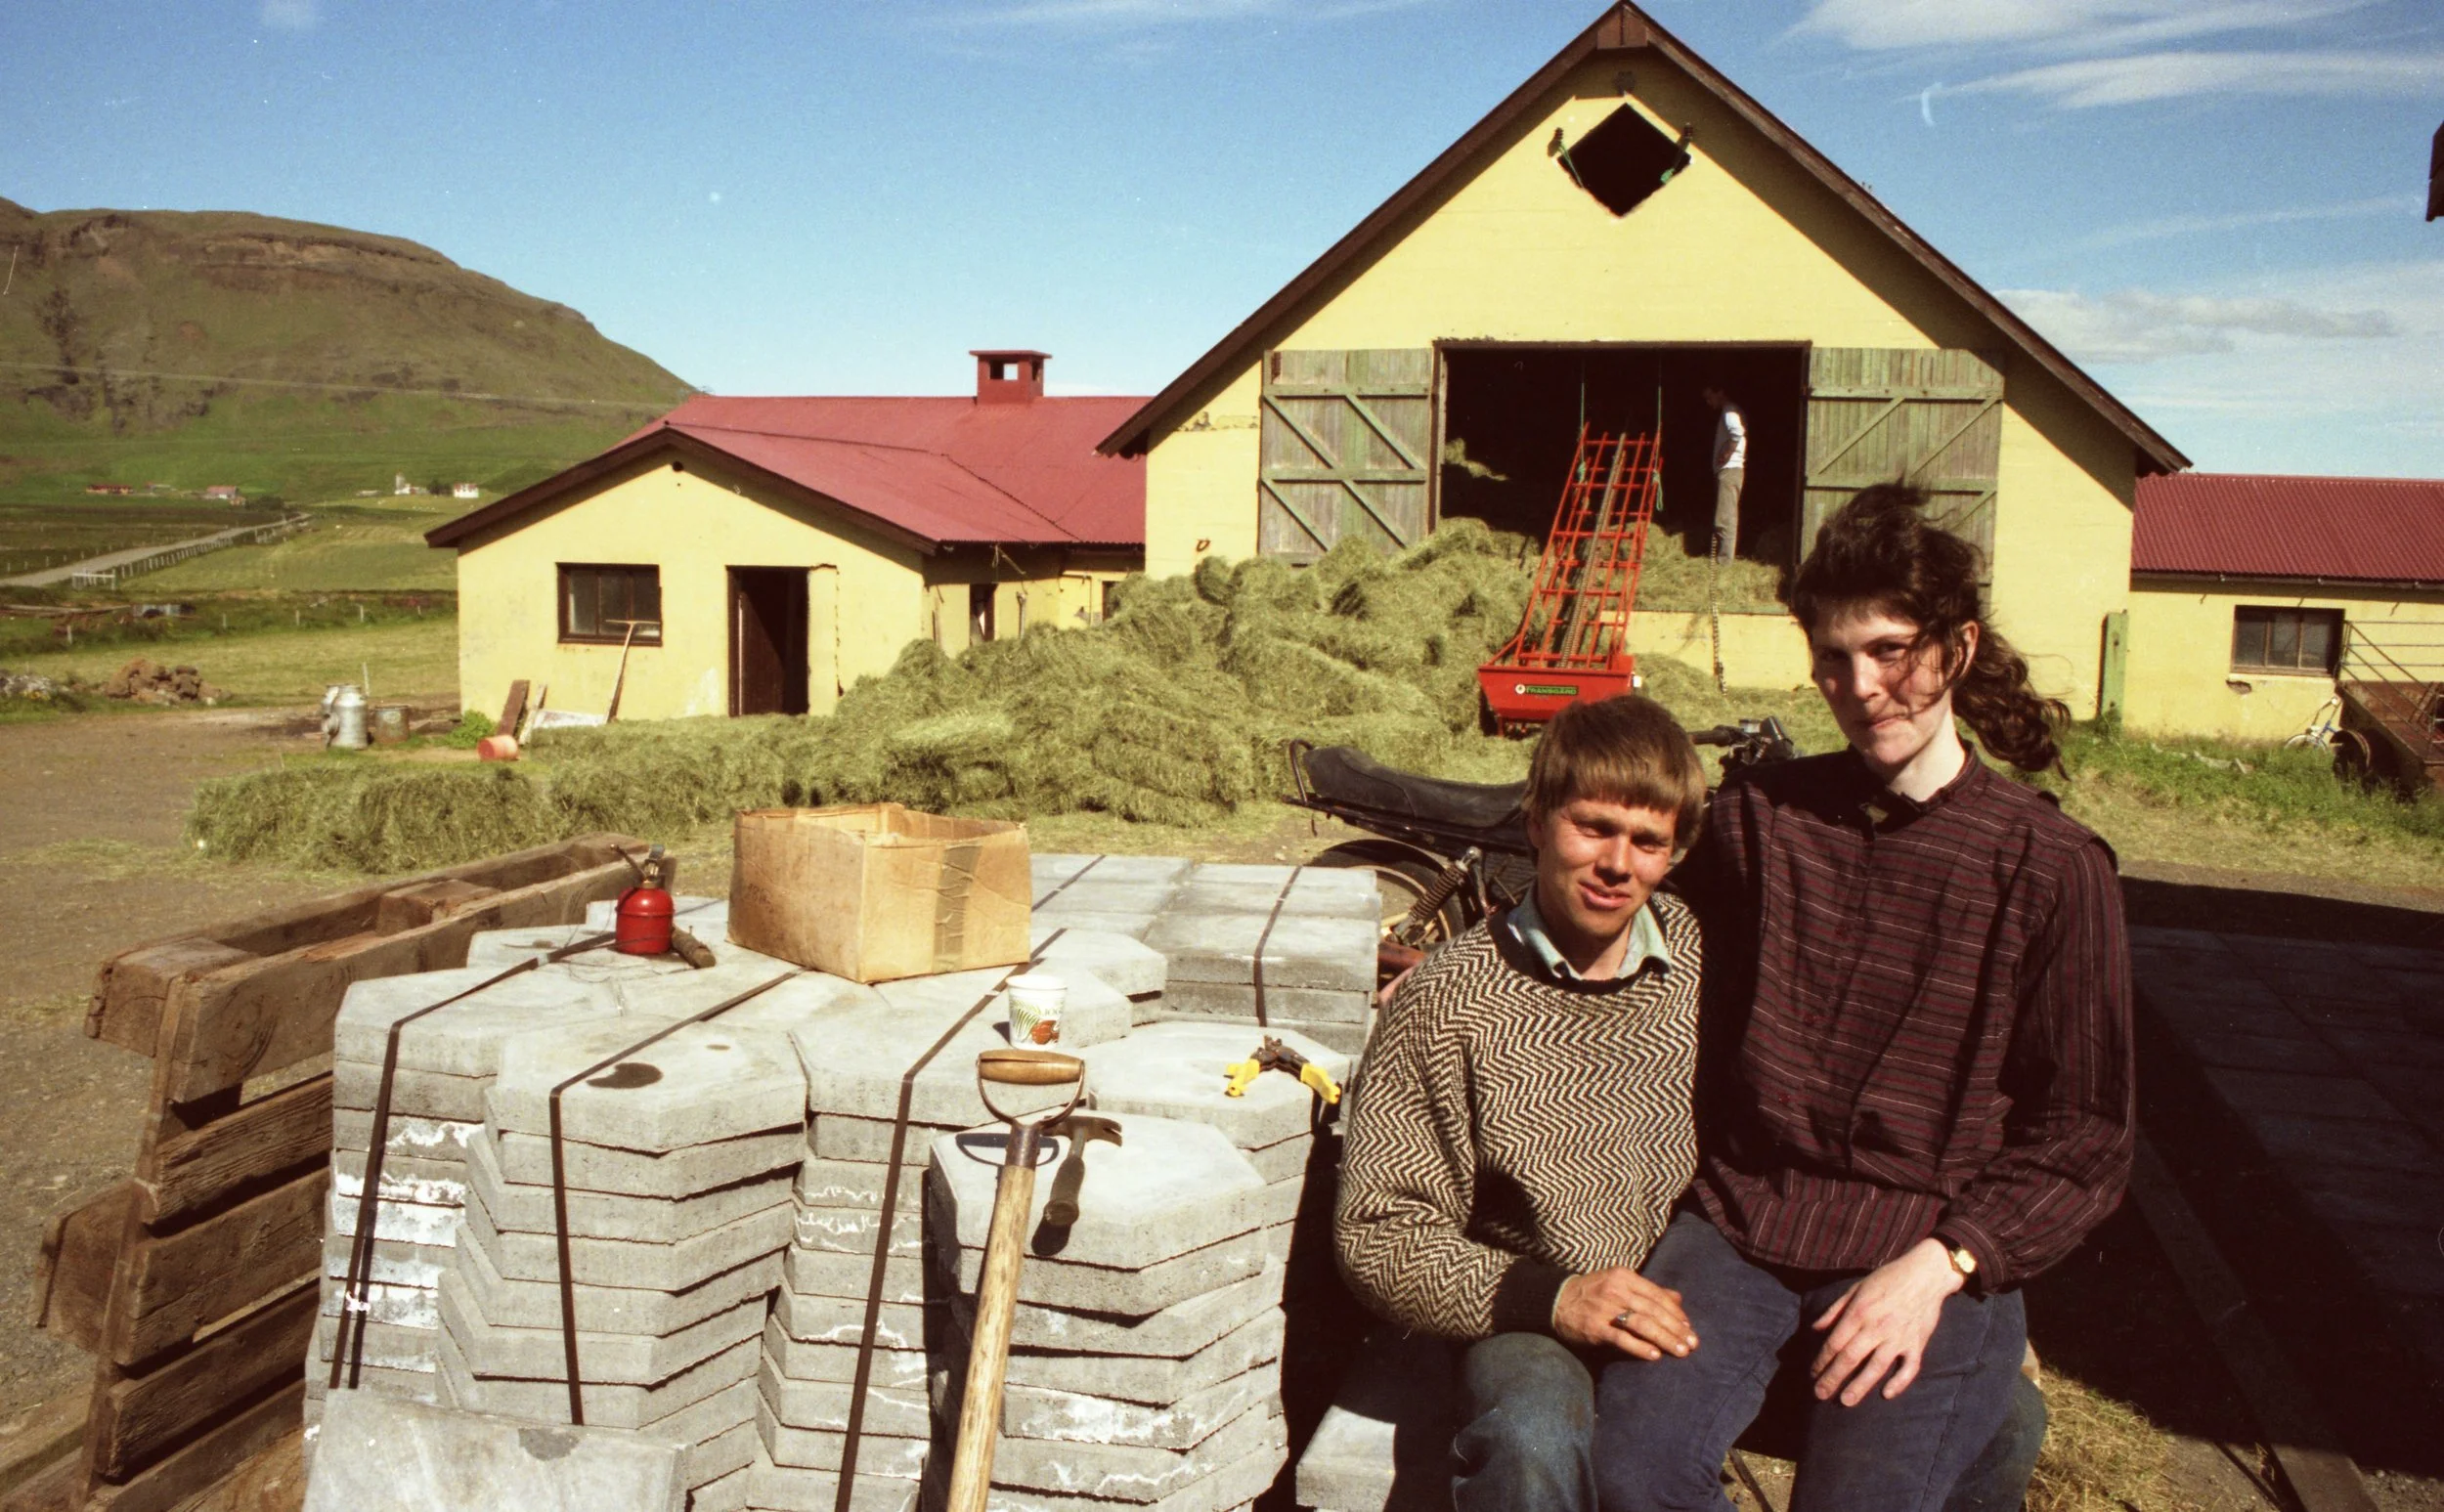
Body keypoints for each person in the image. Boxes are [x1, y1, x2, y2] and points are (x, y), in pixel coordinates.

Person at [1333, 692, 2048, 1512]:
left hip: (1709, 1311)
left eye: (1647, 841)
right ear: (1535, 822)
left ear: (1675, 852)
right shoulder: (1448, 1000)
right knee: (1532, 1436)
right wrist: (1556, 1296)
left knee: (2001, 1418)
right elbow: (1377, 1233)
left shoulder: (1710, 957)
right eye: (1593, 827)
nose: (1617, 863)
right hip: (1536, 1314)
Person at [1595, 485, 2134, 1512]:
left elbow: (2087, 1132)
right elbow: (1612, 906)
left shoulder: (2050, 866)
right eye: (1834, 658)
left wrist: (1948, 1261)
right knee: (1629, 1472)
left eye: (1890, 650)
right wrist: (1469, 969)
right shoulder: (1760, 820)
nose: (1862, 686)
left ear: (1957, 648)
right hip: (1741, 1218)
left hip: (1926, 1236)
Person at [1701, 383, 1746, 563]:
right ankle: (1723, 557)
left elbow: (1737, 433)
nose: (1708, 401)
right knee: (1726, 514)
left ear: (1720, 392)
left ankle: (1724, 560)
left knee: (1725, 517)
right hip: (1729, 470)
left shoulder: (1729, 412)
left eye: (1710, 396)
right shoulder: (1730, 411)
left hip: (1730, 470)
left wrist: (1727, 453)